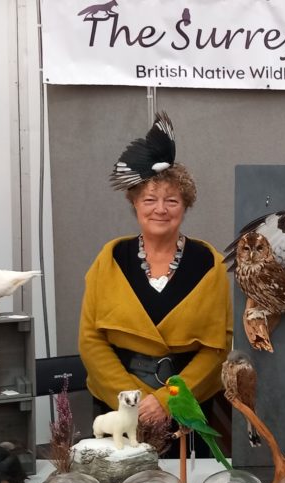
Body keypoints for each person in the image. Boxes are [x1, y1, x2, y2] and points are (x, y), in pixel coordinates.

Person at [79, 111, 232, 434]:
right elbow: (91, 339)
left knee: (188, 481)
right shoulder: (110, 259)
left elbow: (219, 347)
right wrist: (131, 400)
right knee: (121, 482)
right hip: (118, 406)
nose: (160, 209)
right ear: (134, 203)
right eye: (150, 199)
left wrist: (165, 401)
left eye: (172, 200)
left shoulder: (209, 263)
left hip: (186, 406)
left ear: (185, 206)